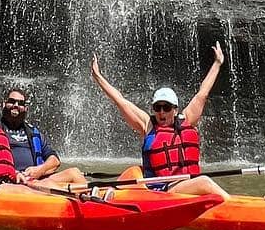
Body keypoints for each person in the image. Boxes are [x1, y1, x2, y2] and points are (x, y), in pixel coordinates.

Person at [89, 42, 231, 198]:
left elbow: (202, 94)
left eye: (166, 107)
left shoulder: (187, 119)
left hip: (190, 188)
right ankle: (233, 207)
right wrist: (98, 77)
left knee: (203, 182)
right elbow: (120, 101)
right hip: (163, 192)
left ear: (175, 109)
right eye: (157, 108)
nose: (161, 112)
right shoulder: (148, 125)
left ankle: (240, 206)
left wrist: (217, 63)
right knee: (204, 182)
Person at [0, 86, 88, 186]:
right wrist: (15, 173)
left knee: (74, 173)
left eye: (21, 103)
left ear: (26, 108)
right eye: (12, 101)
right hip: (12, 180)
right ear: (3, 104)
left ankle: (94, 199)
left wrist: (40, 170)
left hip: (36, 178)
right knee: (48, 184)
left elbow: (54, 160)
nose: (16, 105)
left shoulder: (33, 132)